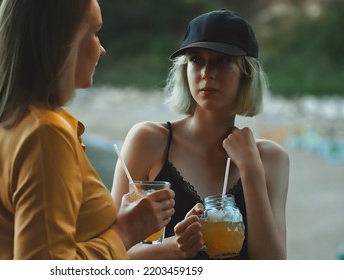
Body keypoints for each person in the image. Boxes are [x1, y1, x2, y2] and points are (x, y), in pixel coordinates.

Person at [0, 0, 175, 260]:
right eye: (94, 32)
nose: (101, 49)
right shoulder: (45, 135)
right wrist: (125, 231)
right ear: (61, 40)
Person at [111, 9, 289, 259]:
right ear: (185, 70)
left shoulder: (271, 159)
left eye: (222, 60)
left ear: (247, 73)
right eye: (196, 59)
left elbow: (274, 266)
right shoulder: (148, 141)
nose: (206, 72)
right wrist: (173, 248)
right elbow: (106, 255)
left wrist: (251, 169)